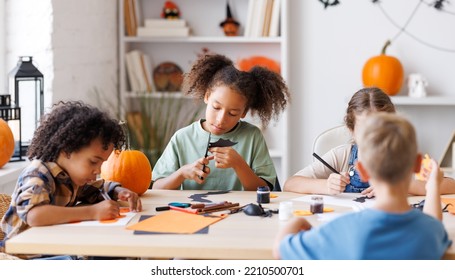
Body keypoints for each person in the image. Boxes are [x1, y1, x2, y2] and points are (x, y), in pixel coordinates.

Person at [274, 112, 452, 259]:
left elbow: (279, 251)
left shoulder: (340, 231)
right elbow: (434, 222)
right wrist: (433, 186)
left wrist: (298, 221)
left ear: (362, 170)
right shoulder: (430, 231)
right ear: (418, 163)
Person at [0, 101, 142, 259]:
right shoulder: (37, 175)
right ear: (67, 150)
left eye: (102, 163)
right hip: (25, 255)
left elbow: (97, 188)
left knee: (114, 252)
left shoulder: (73, 176)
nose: (98, 170)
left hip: (54, 246)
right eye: (93, 162)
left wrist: (118, 191)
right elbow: (35, 215)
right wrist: (92, 212)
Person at [152, 54, 290, 191]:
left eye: (232, 113)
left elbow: (265, 189)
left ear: (244, 112)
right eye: (216, 107)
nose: (220, 119)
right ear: (206, 96)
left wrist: (239, 164)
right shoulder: (182, 138)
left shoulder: (252, 137)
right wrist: (181, 173)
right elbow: (156, 188)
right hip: (191, 212)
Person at [284, 87, 455, 196]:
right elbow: (290, 183)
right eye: (366, 131)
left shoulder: (403, 155)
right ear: (351, 129)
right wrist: (326, 185)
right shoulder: (343, 155)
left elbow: (450, 185)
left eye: (381, 128)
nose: (375, 137)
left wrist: (401, 185)